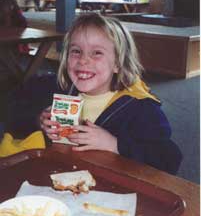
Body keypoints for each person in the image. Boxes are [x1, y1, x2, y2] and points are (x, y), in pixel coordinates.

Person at [37, 13, 182, 174]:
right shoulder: (64, 93)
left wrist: (115, 144)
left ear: (118, 64)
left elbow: (170, 159)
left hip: (117, 186)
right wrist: (43, 122)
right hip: (69, 177)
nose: (83, 60)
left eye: (97, 53)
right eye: (76, 51)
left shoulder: (141, 109)